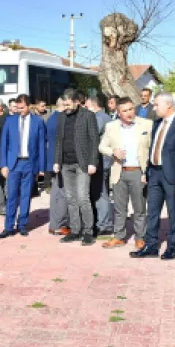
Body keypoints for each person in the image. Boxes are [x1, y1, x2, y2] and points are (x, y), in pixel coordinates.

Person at [130, 92, 175, 260]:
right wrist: (147, 171)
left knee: (173, 210)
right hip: (154, 173)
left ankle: (173, 245)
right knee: (152, 210)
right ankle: (151, 245)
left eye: (157, 105)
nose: (154, 108)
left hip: (172, 174)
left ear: (169, 105)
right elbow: (153, 148)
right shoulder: (157, 123)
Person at [99, 97, 152, 249]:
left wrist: (147, 171)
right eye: (125, 110)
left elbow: (153, 148)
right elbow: (102, 146)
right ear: (118, 112)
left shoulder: (147, 125)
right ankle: (119, 237)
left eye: (131, 109)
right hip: (119, 172)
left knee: (139, 208)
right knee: (119, 208)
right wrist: (112, 151)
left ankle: (140, 237)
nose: (129, 113)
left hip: (138, 172)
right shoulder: (111, 126)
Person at [53, 89, 100, 244]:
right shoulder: (61, 117)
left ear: (76, 101)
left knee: (82, 198)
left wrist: (93, 162)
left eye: (67, 104)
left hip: (82, 163)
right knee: (70, 198)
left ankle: (88, 231)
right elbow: (59, 139)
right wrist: (56, 161)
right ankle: (75, 230)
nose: (65, 107)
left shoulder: (88, 116)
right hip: (65, 163)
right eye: (63, 104)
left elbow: (94, 140)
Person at [0, 94, 47, 238]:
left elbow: (41, 146)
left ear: (29, 106)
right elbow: (4, 144)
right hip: (14, 164)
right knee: (12, 196)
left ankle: (23, 225)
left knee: (26, 196)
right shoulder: (10, 121)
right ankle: (8, 227)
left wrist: (41, 167)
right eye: (18, 108)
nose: (20, 110)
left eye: (22, 107)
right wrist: (4, 165)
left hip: (29, 164)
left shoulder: (38, 122)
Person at [86, 93, 115, 237]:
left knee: (101, 192)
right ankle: (104, 222)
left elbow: (91, 135)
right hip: (104, 160)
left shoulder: (99, 118)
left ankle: (104, 224)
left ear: (92, 104)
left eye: (86, 106)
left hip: (101, 161)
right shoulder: (106, 117)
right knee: (101, 191)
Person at [45, 96, 70, 235]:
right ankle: (59, 224)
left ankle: (54, 224)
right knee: (62, 193)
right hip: (61, 160)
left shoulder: (51, 118)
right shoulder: (62, 119)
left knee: (56, 192)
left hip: (52, 160)